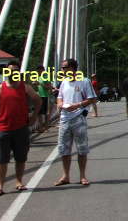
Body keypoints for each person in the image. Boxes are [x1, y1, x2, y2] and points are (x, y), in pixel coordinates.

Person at [0, 59, 41, 196]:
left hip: (21, 128)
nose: (12, 72)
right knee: (1, 160)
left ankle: (19, 182)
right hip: (3, 129)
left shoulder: (25, 87)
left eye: (15, 70)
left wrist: (34, 117)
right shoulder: (0, 88)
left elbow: (38, 100)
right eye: (10, 70)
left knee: (20, 158)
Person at [55, 58, 97, 186]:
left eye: (64, 67)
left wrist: (77, 105)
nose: (62, 70)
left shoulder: (84, 81)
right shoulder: (63, 82)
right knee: (64, 149)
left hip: (78, 118)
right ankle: (65, 176)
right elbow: (59, 97)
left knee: (81, 148)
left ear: (72, 68)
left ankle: (82, 176)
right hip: (64, 119)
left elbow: (92, 98)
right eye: (62, 68)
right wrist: (61, 104)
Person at [33, 65, 52, 133]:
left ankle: (46, 127)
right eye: (37, 71)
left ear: (42, 70)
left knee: (45, 113)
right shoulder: (38, 77)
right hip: (39, 96)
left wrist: (40, 84)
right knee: (39, 113)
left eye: (39, 71)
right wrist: (35, 84)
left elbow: (49, 87)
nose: (38, 72)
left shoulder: (46, 77)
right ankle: (40, 127)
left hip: (45, 96)